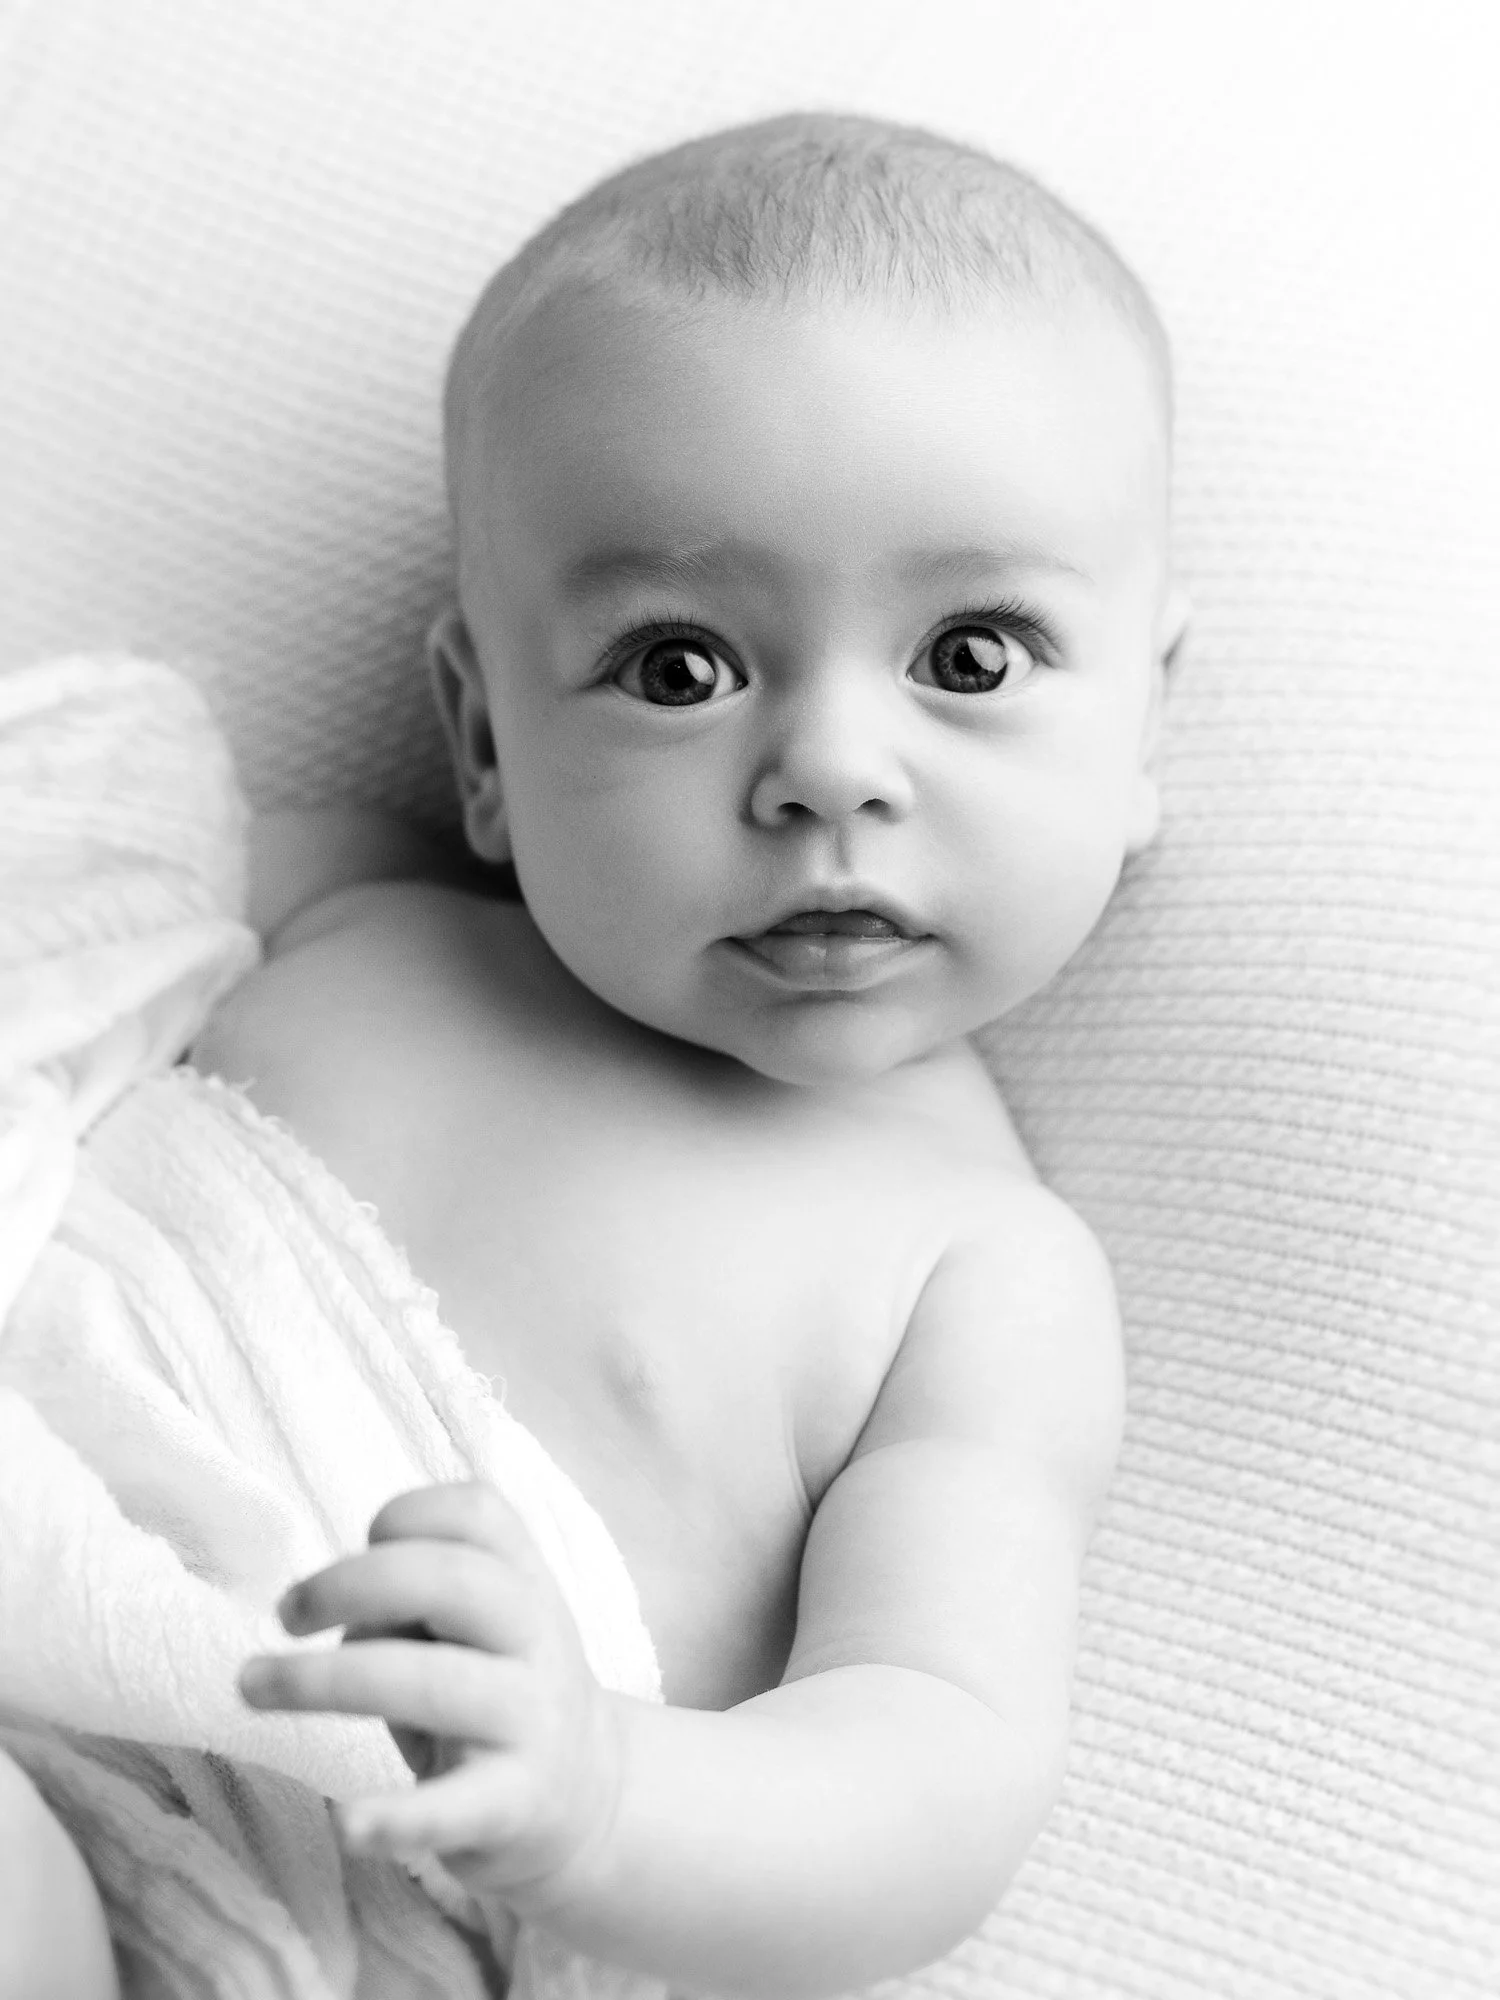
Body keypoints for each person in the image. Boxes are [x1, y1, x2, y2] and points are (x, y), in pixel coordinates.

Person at [5, 109, 1190, 1999]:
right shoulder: (333, 905)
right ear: (485, 742)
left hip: (296, 1852)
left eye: (970, 656)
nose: (829, 769)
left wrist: (602, 1796)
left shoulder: (978, 1274)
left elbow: (937, 1765)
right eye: (677, 667)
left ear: (1144, 731)